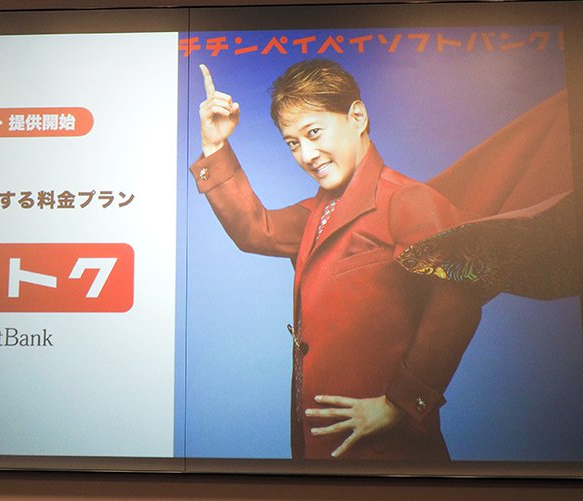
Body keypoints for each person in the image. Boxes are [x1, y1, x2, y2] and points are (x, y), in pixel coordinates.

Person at [189, 59, 577, 460]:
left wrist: (401, 404)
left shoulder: (407, 200)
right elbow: (258, 230)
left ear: (357, 117)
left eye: (314, 133)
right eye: (292, 143)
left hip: (390, 453)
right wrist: (215, 146)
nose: (307, 154)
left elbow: (458, 301)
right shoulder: (317, 212)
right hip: (320, 450)